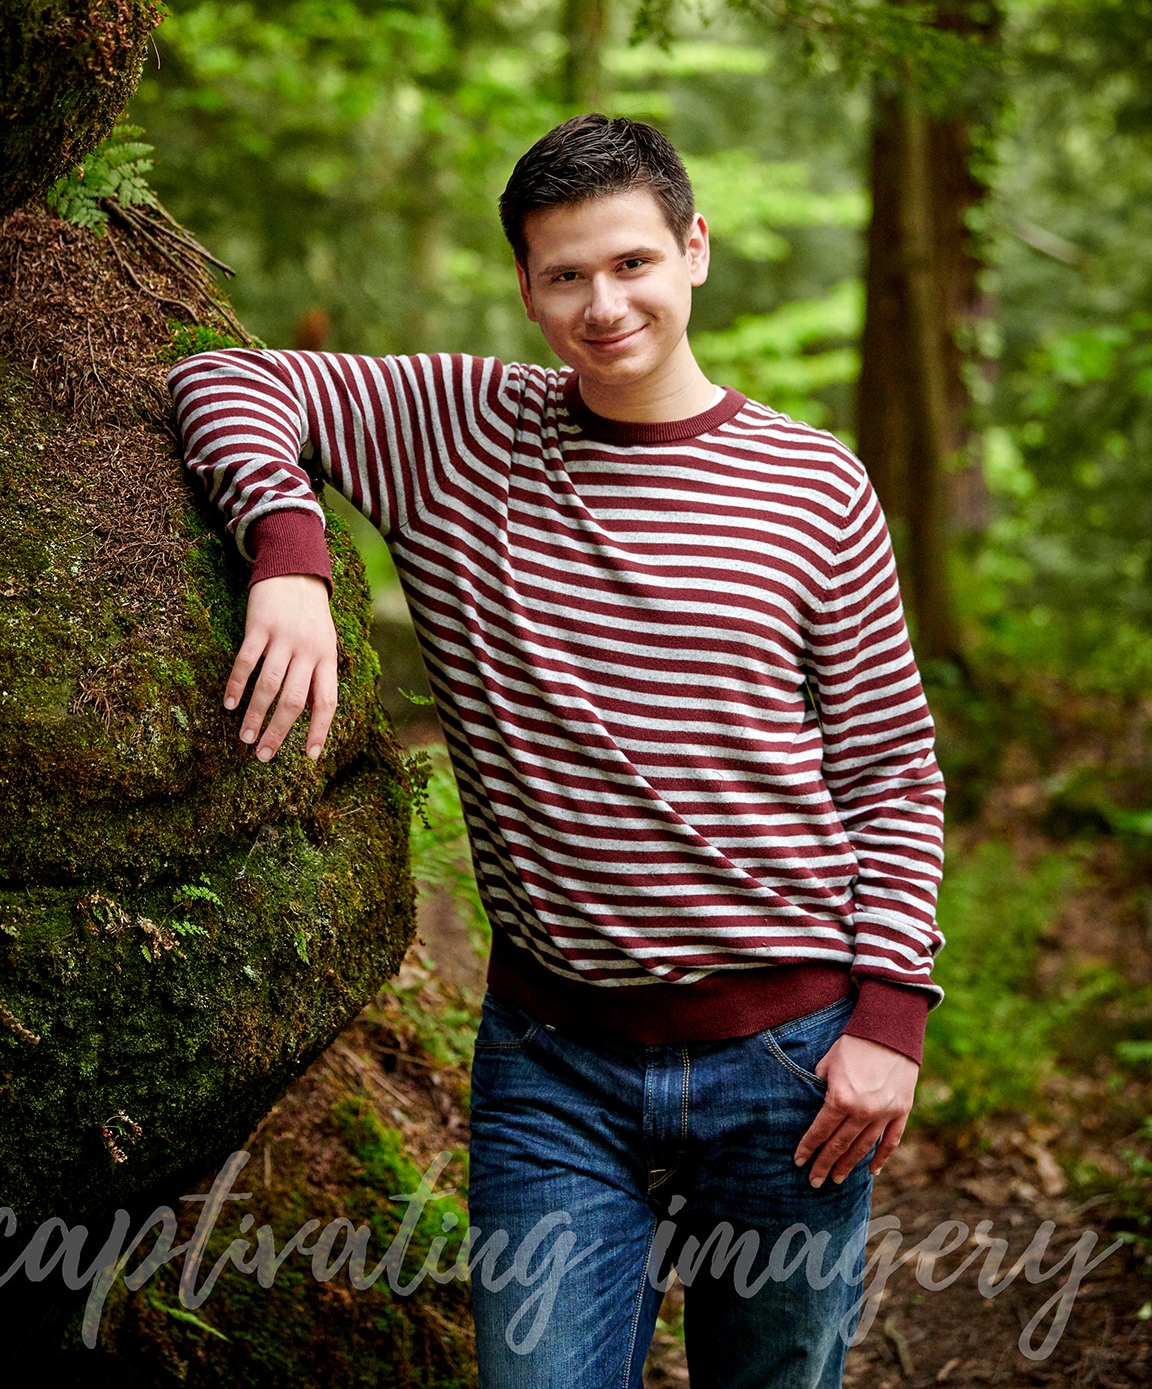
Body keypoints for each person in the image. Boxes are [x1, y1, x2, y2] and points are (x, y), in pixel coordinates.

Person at [168, 114, 945, 1389]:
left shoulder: (817, 486)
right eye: (565, 276)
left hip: (792, 1064)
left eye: (632, 262)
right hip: (553, 1070)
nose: (603, 305)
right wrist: (290, 552)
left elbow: (891, 771)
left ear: (694, 249)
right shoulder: (461, 433)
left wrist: (892, 1020)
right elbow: (225, 377)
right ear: (526, 286)